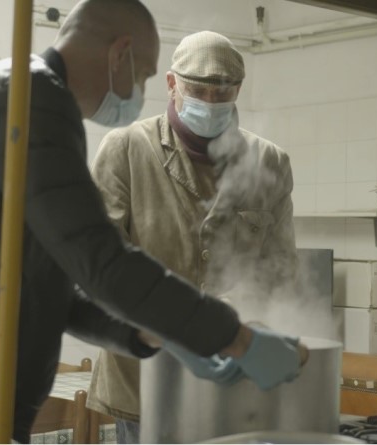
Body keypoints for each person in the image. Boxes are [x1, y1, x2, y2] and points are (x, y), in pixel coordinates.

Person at [0, 2, 305, 443]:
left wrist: (153, 334)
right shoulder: (26, 100)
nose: (139, 92)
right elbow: (102, 262)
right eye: (143, 75)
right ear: (119, 54)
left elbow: (57, 281)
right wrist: (235, 337)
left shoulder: (35, 102)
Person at [86, 31, 299, 444]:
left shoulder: (268, 162)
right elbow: (102, 267)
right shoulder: (126, 150)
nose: (210, 102)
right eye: (198, 91)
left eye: (222, 93)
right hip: (143, 378)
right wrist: (189, 322)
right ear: (172, 84)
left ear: (238, 90)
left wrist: (231, 319)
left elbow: (281, 270)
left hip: (232, 373)